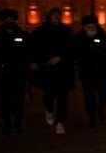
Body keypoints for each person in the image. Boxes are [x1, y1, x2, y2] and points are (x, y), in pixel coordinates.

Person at [29, 7, 75, 135]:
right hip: (47, 69)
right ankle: (49, 109)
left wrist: (60, 57)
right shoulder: (40, 31)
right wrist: (42, 60)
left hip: (62, 69)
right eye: (54, 14)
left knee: (62, 97)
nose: (56, 17)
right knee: (48, 95)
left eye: (58, 15)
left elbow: (71, 49)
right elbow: (33, 48)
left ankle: (60, 122)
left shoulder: (66, 31)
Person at [0, 9, 31, 134]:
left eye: (12, 19)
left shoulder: (23, 36)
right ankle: (7, 121)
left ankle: (17, 120)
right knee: (4, 99)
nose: (10, 21)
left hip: (19, 73)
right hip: (4, 73)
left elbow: (29, 53)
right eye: (7, 19)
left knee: (18, 99)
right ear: (3, 20)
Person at [73, 15, 106, 127]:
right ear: (84, 27)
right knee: (89, 96)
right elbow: (72, 53)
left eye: (93, 26)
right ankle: (92, 116)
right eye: (88, 26)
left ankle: (100, 107)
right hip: (86, 73)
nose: (91, 28)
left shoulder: (103, 36)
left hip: (102, 72)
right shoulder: (79, 38)